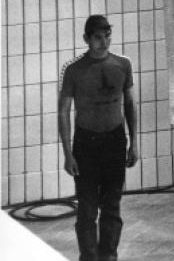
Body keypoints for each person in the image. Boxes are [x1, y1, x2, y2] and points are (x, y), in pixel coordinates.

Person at [57, 15, 138, 261]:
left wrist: (134, 142)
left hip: (115, 142)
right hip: (87, 144)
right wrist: (68, 154)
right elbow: (63, 111)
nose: (104, 43)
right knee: (88, 209)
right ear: (87, 39)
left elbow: (130, 103)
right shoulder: (73, 70)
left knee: (112, 207)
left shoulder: (122, 64)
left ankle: (109, 256)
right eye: (98, 38)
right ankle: (89, 257)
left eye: (107, 36)